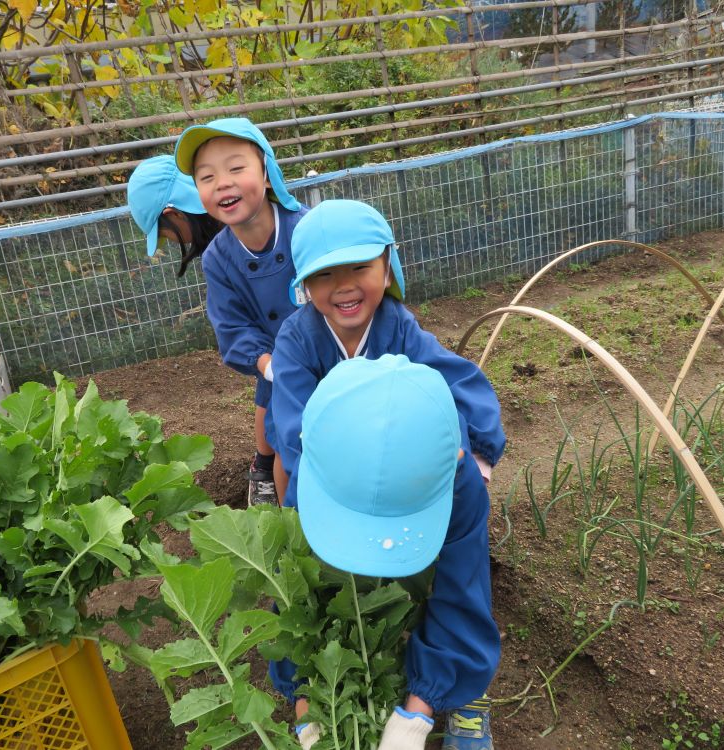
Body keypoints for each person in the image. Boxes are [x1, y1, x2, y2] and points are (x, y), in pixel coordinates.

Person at [287, 354, 499, 750]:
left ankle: (462, 688)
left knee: (463, 602)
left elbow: (462, 592)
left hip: (425, 584)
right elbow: (296, 602)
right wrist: (306, 703)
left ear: (454, 461)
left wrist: (417, 716)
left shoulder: (459, 484)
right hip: (352, 595)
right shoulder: (317, 477)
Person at [269, 198, 504, 511]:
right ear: (306, 285)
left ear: (387, 272)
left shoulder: (397, 326)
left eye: (359, 268)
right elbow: (293, 419)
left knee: (451, 418)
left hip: (395, 452)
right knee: (295, 472)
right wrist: (336, 480)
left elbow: (453, 379)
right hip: (330, 463)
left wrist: (478, 450)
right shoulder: (296, 340)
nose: (343, 286)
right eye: (324, 275)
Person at [174, 117, 308, 506]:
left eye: (236, 168)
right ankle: (291, 522)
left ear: (267, 174)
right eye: (207, 177)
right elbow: (231, 326)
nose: (223, 183)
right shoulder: (218, 258)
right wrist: (268, 364)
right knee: (287, 442)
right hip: (277, 359)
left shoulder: (305, 230)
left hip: (333, 352)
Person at [126, 154, 223, 277]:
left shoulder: (221, 256)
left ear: (174, 214)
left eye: (163, 235)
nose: (171, 241)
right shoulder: (242, 217)